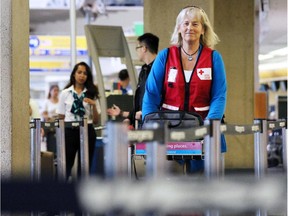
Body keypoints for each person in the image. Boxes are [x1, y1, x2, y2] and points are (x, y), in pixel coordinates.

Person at [142, 6, 227, 173]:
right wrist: (149, 123)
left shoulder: (213, 58)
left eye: (195, 24)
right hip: (169, 130)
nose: (190, 28)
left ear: (203, 29)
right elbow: (151, 94)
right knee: (170, 186)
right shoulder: (165, 56)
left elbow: (219, 96)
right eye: (186, 23)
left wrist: (209, 125)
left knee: (203, 188)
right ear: (179, 28)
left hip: (204, 129)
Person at [57, 62, 101, 180]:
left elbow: (96, 121)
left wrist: (94, 105)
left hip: (87, 131)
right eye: (79, 72)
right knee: (65, 165)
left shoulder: (91, 93)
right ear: (74, 74)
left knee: (85, 167)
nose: (82, 76)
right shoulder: (65, 93)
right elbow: (61, 116)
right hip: (69, 131)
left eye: (85, 73)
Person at [107, 33, 159, 128]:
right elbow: (140, 104)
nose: (137, 51)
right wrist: (123, 114)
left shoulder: (160, 69)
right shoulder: (144, 70)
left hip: (155, 125)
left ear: (144, 48)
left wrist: (145, 112)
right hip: (143, 124)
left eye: (137, 48)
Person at [41, 84, 60, 158]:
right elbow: (44, 114)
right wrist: (49, 118)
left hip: (59, 125)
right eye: (54, 90)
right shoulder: (47, 102)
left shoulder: (60, 102)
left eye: (57, 90)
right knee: (51, 147)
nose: (56, 92)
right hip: (51, 128)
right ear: (50, 91)